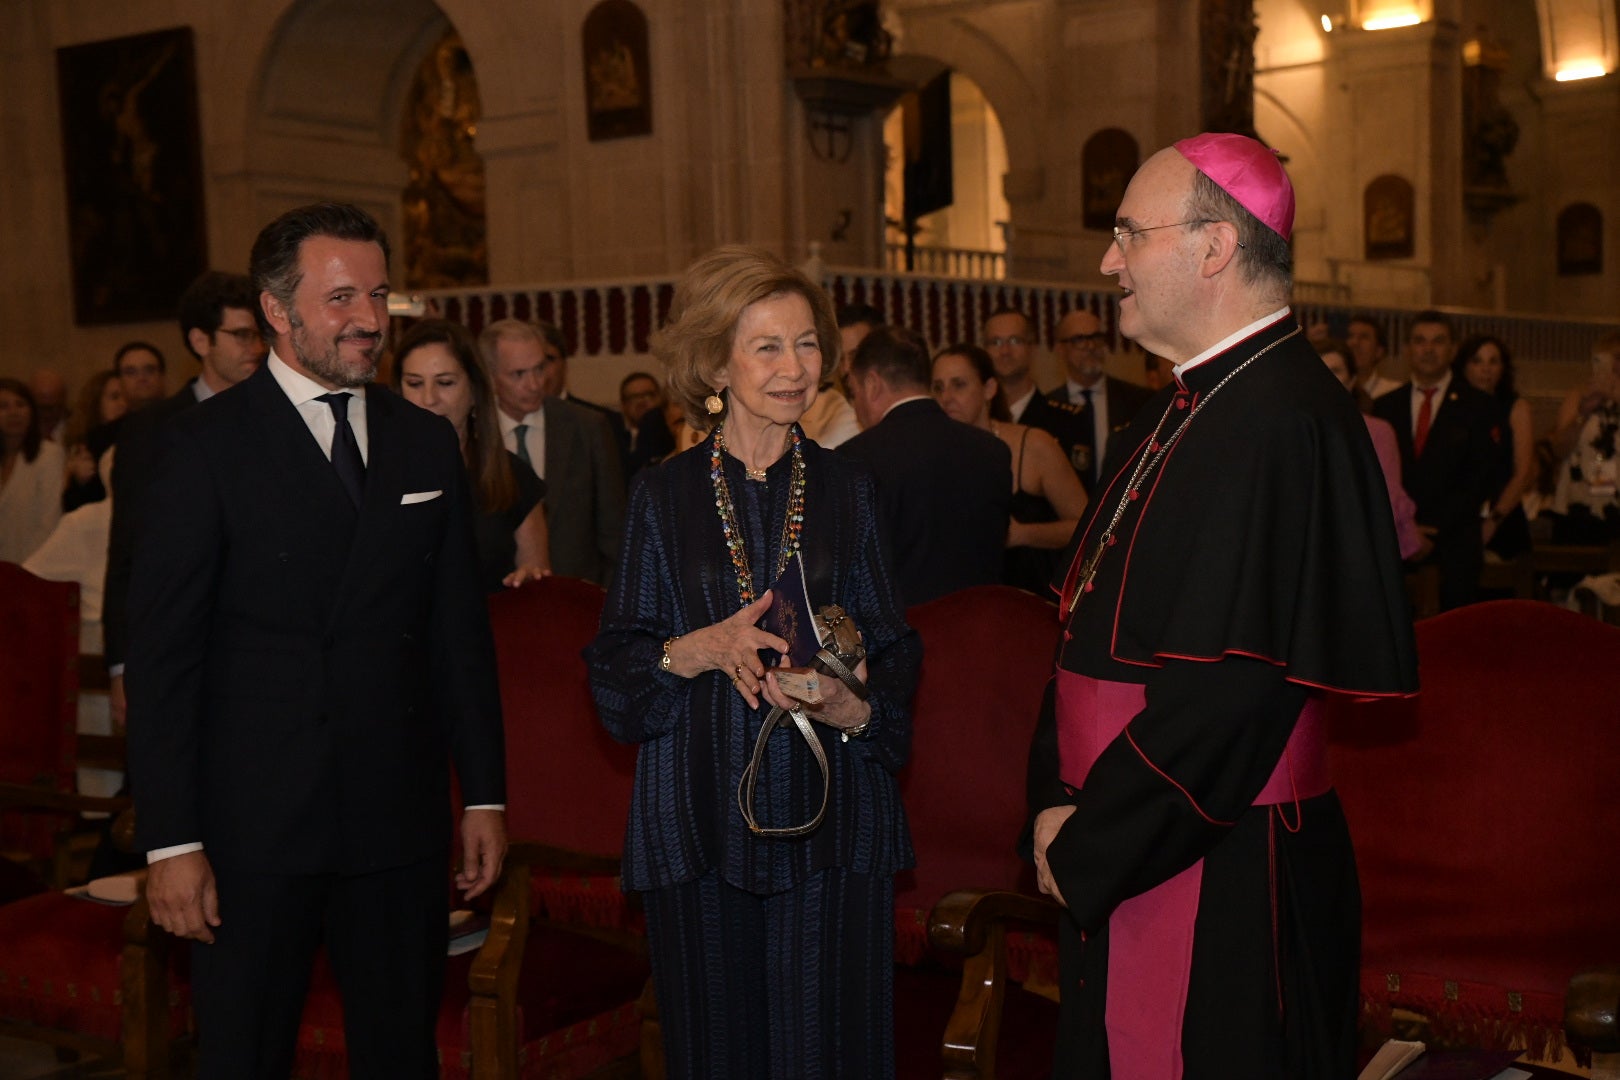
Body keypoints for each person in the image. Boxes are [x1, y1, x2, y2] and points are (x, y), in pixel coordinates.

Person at [1028, 133, 1417, 1078]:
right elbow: (1081, 639)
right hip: (1130, 832)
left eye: (1129, 233)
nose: (1108, 261)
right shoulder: (1188, 406)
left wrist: (1088, 840)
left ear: (1214, 247)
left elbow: (1230, 701)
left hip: (1217, 859)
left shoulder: (1278, 421)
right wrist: (1052, 805)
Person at [126, 203, 507, 1078]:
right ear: (275, 309)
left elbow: (458, 634)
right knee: (246, 1055)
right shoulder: (200, 448)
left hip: (397, 823)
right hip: (252, 832)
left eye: (377, 294)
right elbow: (164, 662)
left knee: (397, 1053)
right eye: (340, 297)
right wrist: (171, 844)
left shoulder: (422, 442)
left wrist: (483, 793)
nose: (369, 319)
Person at [586, 245, 919, 1079]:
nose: (794, 367)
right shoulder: (661, 495)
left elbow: (894, 644)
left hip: (835, 817)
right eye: (767, 346)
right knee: (716, 1056)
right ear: (715, 363)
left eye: (807, 344)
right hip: (698, 816)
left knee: (831, 1053)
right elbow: (617, 668)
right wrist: (692, 649)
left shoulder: (852, 488)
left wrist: (859, 706)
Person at [103, 271, 268, 729]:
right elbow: (127, 557)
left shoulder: (281, 419)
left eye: (259, 334)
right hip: (180, 652)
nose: (255, 347)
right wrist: (121, 667)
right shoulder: (151, 431)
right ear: (200, 340)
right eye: (240, 335)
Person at [839, 324, 1011, 605]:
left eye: (854, 392)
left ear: (871, 384)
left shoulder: (855, 458)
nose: (856, 406)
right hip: (982, 633)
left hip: (902, 641)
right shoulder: (993, 450)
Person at [394, 317, 550, 590]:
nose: (429, 399)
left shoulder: (513, 477)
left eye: (445, 383)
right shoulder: (374, 475)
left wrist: (529, 584)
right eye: (415, 383)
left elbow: (538, 584)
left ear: (475, 390)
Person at [1370, 311, 1504, 610]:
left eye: (1438, 342)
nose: (1428, 349)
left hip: (1454, 542)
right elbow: (1377, 476)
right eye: (1419, 341)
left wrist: (1434, 530)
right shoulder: (1385, 406)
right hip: (1396, 539)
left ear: (1453, 350)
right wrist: (1407, 527)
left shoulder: (1480, 406)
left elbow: (1481, 477)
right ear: (1407, 349)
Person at [932, 342, 1088, 597]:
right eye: (938, 387)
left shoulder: (1034, 444)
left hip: (1034, 599)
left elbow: (1089, 527)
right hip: (963, 600)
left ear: (989, 389)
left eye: (959, 384)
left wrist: (1023, 534)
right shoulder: (935, 453)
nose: (946, 398)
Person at [481, 318, 625, 585]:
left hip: (579, 599)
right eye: (518, 374)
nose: (536, 383)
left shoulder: (587, 427)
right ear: (489, 376)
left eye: (540, 368)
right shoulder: (476, 436)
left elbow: (614, 532)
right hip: (499, 603)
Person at [1316, 338, 1425, 560]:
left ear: (1351, 381)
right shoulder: (1295, 431)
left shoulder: (1378, 431)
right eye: (1318, 370)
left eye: (1335, 370)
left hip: (1364, 548)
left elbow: (1387, 500)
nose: (1326, 379)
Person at [1046, 308, 1154, 492]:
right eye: (1079, 340)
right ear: (1061, 349)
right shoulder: (1047, 408)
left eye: (1096, 337)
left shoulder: (1139, 400)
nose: (1090, 346)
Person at [983, 306, 1090, 477]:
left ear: (1032, 348)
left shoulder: (1066, 420)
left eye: (1014, 341)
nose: (1004, 351)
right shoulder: (978, 419)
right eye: (995, 342)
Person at [1454, 334, 1534, 560]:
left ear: (1503, 368)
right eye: (1477, 361)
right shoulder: (1452, 407)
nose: (1485, 369)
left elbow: (1523, 473)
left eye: (1493, 361)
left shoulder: (1515, 407)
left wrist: (1494, 520)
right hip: (1459, 517)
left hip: (1504, 515)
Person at [1544, 332, 1620, 544]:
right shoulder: (1579, 395)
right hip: (1580, 503)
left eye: (1618, 358)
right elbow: (1559, 449)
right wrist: (1583, 414)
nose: (1613, 366)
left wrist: (1615, 395)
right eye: (1606, 359)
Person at [0, 377, 66, 562]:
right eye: (3, 406)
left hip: (32, 567)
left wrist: (27, 570)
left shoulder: (48, 455)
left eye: (20, 405)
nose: (13, 413)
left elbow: (49, 523)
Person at [61, 370, 127, 511]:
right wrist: (79, 482)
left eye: (126, 397)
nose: (123, 403)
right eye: (115, 397)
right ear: (96, 403)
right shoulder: (82, 447)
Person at [614, 370, 677, 481]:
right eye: (634, 397)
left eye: (649, 395)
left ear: (660, 398)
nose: (642, 401)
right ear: (623, 405)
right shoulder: (613, 437)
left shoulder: (672, 432)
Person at [1348, 314, 1401, 401]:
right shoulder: (1332, 388)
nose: (1354, 343)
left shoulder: (1392, 391)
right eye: (1351, 336)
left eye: (1364, 337)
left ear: (1378, 351)